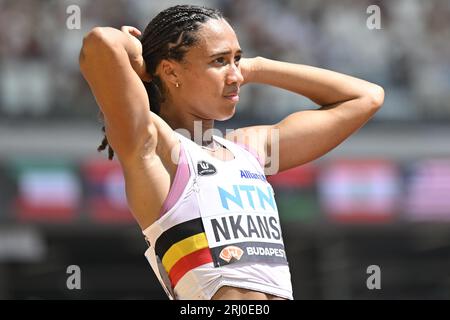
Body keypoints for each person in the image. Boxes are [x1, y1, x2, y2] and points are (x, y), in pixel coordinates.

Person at [79, 4, 384, 300]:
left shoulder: (248, 149)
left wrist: (256, 66)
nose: (235, 75)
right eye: (219, 61)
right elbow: (101, 43)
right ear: (171, 72)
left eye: (237, 59)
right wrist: (138, 54)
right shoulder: (156, 147)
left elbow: (366, 97)